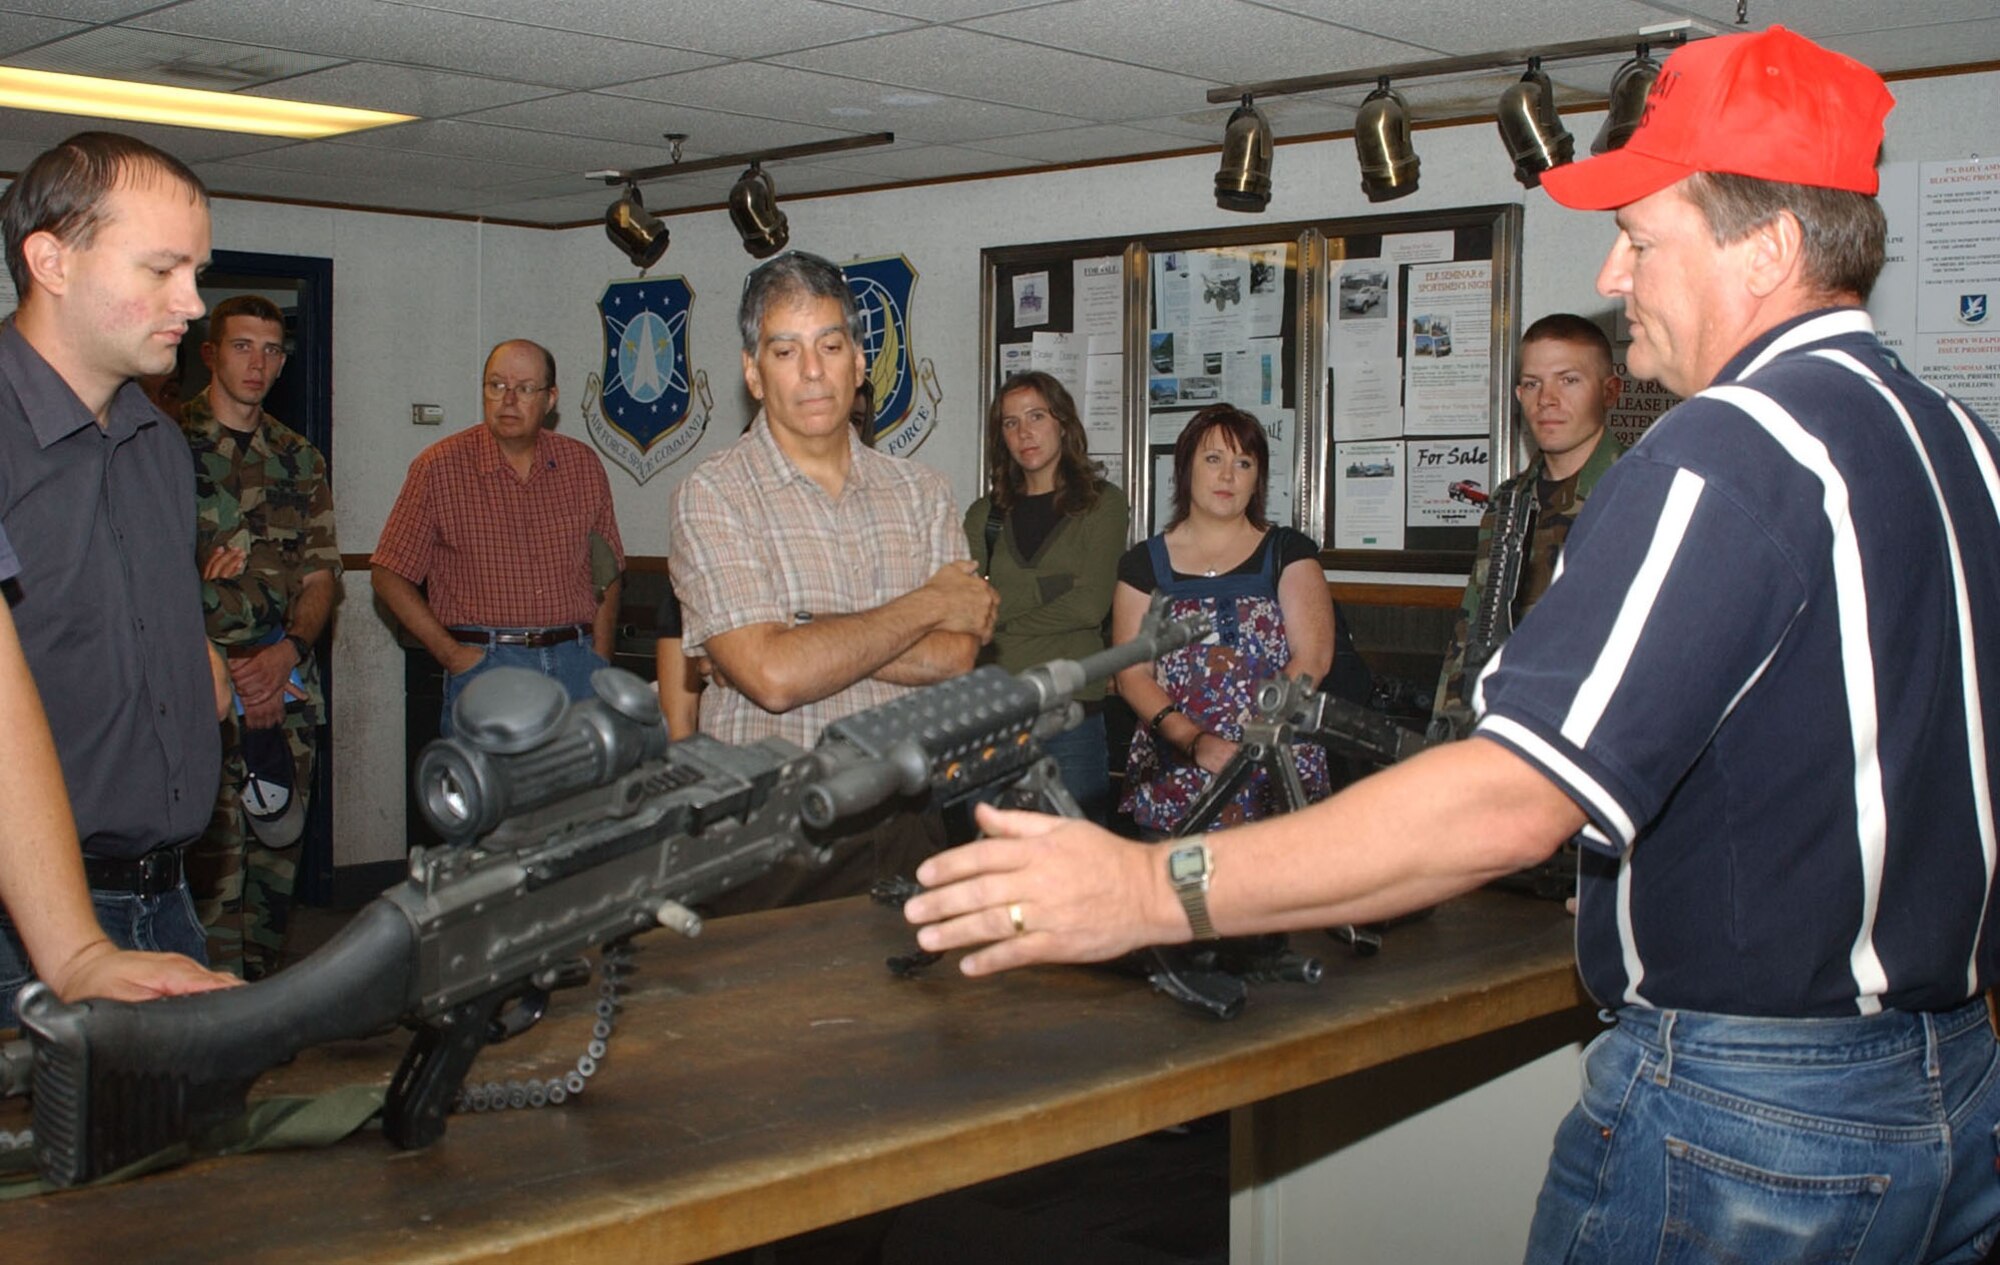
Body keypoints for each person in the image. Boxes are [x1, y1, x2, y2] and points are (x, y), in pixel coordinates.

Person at [904, 28, 2000, 1262]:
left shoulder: (1722, 454)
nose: (1612, 271)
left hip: (1755, 1119)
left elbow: (1508, 803)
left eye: (1641, 238)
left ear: (1770, 248)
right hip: (1948, 1082)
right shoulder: (1955, 442)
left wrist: (1145, 888)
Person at [0, 131, 242, 1024]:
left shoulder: (157, 444)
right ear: (50, 260)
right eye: (161, 270)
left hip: (168, 897)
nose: (192, 301)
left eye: (197, 270)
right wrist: (75, 945)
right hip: (27, 927)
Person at [669, 250, 997, 910]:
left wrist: (801, 633)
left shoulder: (923, 492)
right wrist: (930, 601)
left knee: (923, 1015)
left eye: (830, 344)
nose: (812, 371)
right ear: (753, 374)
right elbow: (775, 678)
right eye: (785, 351)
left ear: (859, 360)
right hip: (772, 832)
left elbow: (955, 655)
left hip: (907, 819)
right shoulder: (713, 495)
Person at [177, 295, 340, 980]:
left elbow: (322, 575)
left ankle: (264, 1024)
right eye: (243, 346)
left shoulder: (299, 459)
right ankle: (205, 1032)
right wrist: (230, 655)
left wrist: (284, 653)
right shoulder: (159, 445)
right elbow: (138, 581)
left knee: (275, 879)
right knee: (205, 881)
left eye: (272, 349)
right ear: (212, 353)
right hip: (197, 701)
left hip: (287, 693)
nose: (259, 363)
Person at [1111, 405, 1346, 835]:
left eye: (1243, 463)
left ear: (1257, 479)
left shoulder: (1287, 552)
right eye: (1213, 459)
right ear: (1186, 469)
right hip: (1175, 773)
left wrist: (1251, 736)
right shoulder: (1144, 563)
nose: (1227, 476)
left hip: (1274, 769)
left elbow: (1313, 657)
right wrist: (1194, 741)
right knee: (1176, 900)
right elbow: (1132, 675)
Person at [371, 338, 625, 734]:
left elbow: (607, 570)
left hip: (577, 668)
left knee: (576, 796)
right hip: (486, 668)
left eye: (524, 388)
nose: (508, 400)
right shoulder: (438, 468)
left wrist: (600, 658)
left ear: (550, 398)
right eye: (496, 386)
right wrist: (452, 655)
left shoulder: (583, 466)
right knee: (491, 794)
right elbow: (388, 574)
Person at [1432, 314, 1624, 738]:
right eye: (1532, 384)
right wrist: (1444, 739)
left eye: (1569, 380)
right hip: (1504, 733)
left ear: (1609, 391)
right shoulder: (1509, 501)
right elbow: (1470, 636)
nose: (1547, 400)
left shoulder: (1638, 495)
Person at [965, 371, 1129, 821]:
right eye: (1011, 423)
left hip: (1072, 711)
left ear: (1063, 423)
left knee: (1075, 864)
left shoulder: (1103, 504)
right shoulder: (985, 515)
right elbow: (968, 611)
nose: (1025, 433)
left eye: (1036, 416)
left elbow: (1089, 604)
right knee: (992, 865)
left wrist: (1001, 615)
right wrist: (1049, 590)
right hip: (996, 713)